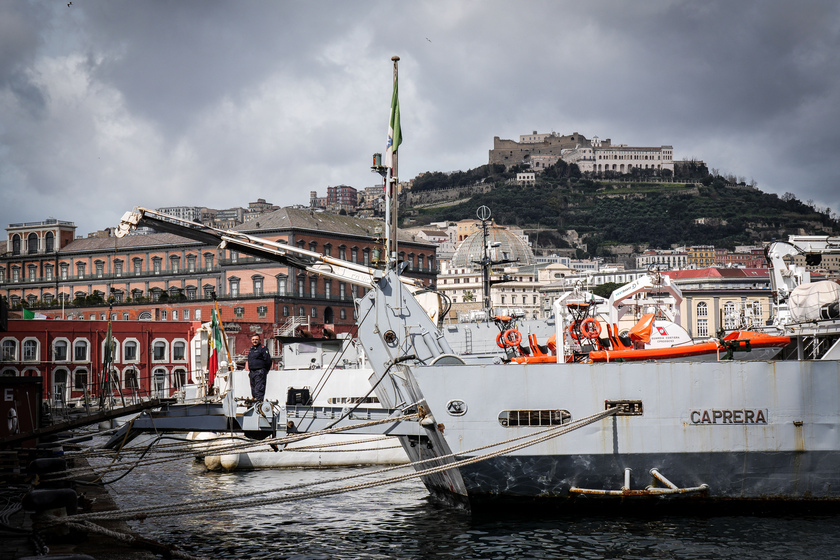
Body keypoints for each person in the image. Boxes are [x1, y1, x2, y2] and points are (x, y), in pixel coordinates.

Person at [247, 334, 272, 401]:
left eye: (256, 339)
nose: (254, 341)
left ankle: (259, 404)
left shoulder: (263, 348)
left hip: (260, 372)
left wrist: (265, 370)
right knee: (254, 391)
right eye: (253, 340)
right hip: (252, 373)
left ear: (260, 340)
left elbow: (268, 360)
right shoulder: (251, 349)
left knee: (259, 391)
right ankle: (254, 403)